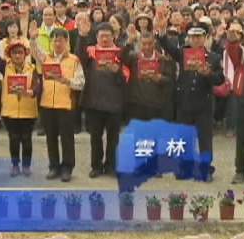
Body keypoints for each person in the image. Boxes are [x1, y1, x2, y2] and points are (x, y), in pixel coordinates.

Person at [156, 12, 223, 182]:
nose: (195, 40)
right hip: (184, 102)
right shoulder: (183, 52)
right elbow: (168, 46)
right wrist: (162, 30)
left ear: (205, 38)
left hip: (204, 104)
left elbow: (220, 79)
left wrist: (208, 75)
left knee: (205, 138)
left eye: (199, 37)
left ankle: (206, 168)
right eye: (192, 37)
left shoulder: (214, 57)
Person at [76, 18, 126, 178]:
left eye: (108, 36)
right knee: (95, 137)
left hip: (114, 103)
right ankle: (96, 166)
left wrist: (117, 71)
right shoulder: (90, 52)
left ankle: (111, 165)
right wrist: (82, 36)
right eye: (101, 36)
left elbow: (125, 80)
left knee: (113, 138)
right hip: (94, 103)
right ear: (97, 37)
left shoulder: (120, 53)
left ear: (113, 37)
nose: (104, 39)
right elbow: (78, 58)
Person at [35, 28, 85, 182]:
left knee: (67, 138)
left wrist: (67, 81)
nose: (57, 43)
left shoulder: (74, 60)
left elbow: (81, 82)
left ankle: (67, 168)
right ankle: (54, 166)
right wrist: (32, 38)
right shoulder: (46, 57)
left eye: (60, 40)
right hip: (47, 103)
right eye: (54, 40)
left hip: (65, 104)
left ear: (66, 41)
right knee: (50, 138)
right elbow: (34, 51)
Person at [0, 32, 42, 176]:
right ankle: (15, 165)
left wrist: (32, 91)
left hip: (28, 111)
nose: (17, 56)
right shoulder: (5, 67)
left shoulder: (32, 68)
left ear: (25, 54)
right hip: (10, 111)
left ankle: (26, 165)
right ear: (10, 55)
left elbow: (38, 85)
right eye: (14, 53)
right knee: (13, 139)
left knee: (26, 139)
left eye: (20, 53)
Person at [216, 22, 244, 184]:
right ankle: (241, 171)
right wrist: (231, 38)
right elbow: (232, 49)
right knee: (242, 139)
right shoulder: (242, 53)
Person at [120, 24, 175, 120]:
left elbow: (171, 79)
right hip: (136, 104)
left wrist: (160, 79)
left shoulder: (163, 60)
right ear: (140, 44)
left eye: (149, 44)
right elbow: (121, 58)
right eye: (144, 44)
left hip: (156, 105)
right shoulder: (134, 58)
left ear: (154, 43)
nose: (147, 47)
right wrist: (129, 41)